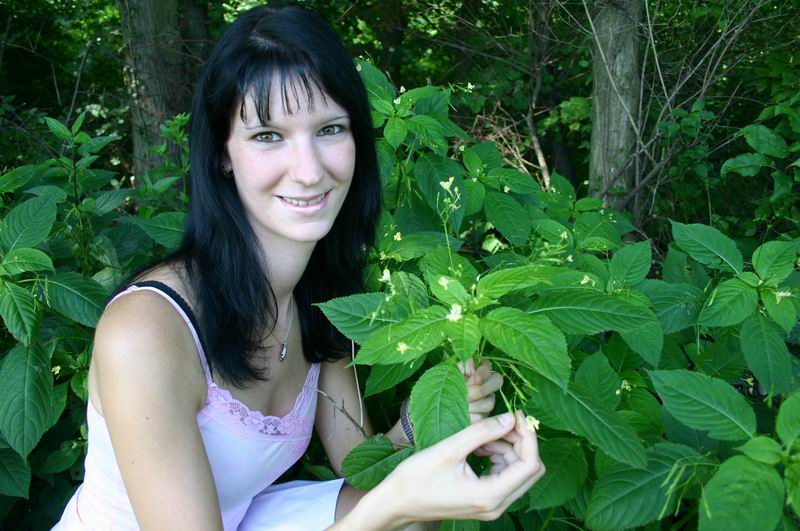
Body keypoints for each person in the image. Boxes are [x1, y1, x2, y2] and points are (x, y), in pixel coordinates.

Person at [53, 4, 545, 530]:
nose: (309, 171)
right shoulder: (147, 331)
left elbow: (361, 465)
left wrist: (439, 418)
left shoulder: (317, 297)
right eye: (268, 136)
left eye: (330, 129)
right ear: (222, 152)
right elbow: (385, 502)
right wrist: (398, 504)